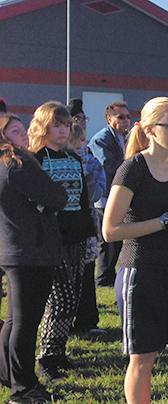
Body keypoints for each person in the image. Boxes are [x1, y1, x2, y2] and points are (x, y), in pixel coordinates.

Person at [102, 96, 168, 403]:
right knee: (143, 360)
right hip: (141, 270)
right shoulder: (132, 169)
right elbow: (110, 231)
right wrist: (164, 221)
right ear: (149, 129)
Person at [0, 112, 67, 403]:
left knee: (14, 321)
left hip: (13, 248)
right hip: (32, 251)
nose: (24, 134)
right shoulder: (19, 163)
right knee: (25, 324)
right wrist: (53, 196)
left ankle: (9, 375)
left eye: (23, 128)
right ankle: (23, 388)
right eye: (15, 131)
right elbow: (57, 197)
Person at [28, 102, 96, 380]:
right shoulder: (35, 158)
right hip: (51, 237)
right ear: (44, 126)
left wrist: (89, 231)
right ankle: (46, 356)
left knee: (72, 298)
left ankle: (59, 350)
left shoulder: (74, 158)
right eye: (57, 125)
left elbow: (81, 199)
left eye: (66, 125)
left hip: (76, 233)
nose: (63, 130)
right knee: (58, 299)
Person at [67, 123, 108, 338]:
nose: (83, 145)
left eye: (84, 140)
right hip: (69, 226)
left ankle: (86, 319)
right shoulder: (63, 159)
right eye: (80, 141)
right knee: (69, 278)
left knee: (86, 273)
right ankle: (73, 319)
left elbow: (96, 190)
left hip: (86, 222)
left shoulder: (89, 160)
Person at [89, 101, 132, 287]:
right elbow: (107, 167)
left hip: (119, 194)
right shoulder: (102, 139)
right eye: (121, 117)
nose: (126, 120)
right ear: (109, 119)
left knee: (118, 239)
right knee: (106, 241)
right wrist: (130, 163)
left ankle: (110, 274)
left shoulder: (124, 137)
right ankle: (103, 278)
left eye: (128, 116)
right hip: (105, 196)